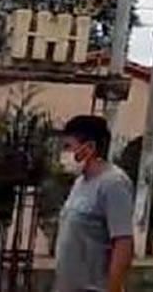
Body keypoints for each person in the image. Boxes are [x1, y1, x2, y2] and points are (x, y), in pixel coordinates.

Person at [52, 115, 134, 292]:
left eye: (68, 147)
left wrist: (113, 288)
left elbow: (123, 243)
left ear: (89, 148)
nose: (64, 154)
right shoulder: (80, 183)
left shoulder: (114, 184)